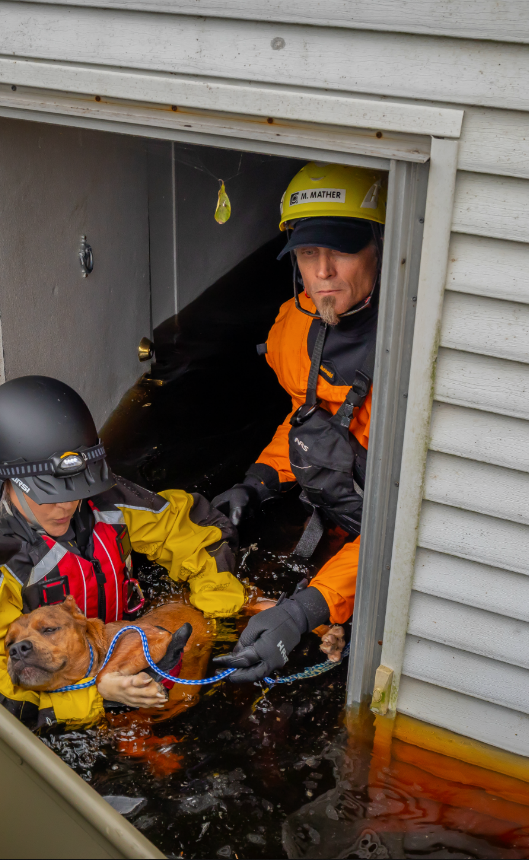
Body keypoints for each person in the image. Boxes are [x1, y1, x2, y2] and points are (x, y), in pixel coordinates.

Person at [0, 375, 246, 728]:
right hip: (43, 695)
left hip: (101, 653)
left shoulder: (101, 500)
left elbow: (192, 531)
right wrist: (101, 697)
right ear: (3, 479)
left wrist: (221, 622)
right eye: (47, 492)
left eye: (78, 485)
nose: (67, 504)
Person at [212, 162, 386, 683]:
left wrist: (309, 608)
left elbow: (402, 525)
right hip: (340, 507)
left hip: (385, 522)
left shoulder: (409, 361)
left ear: (380, 248)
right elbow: (306, 420)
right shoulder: (296, 326)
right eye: (309, 254)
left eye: (342, 250)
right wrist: (259, 482)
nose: (324, 272)